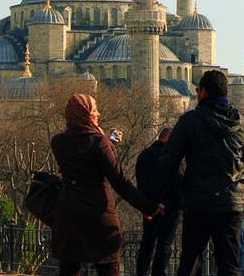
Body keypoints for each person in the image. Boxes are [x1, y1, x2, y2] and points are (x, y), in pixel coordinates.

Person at [155, 70, 244, 276]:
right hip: (231, 204)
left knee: (191, 263)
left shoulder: (190, 121)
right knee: (230, 265)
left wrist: (162, 195)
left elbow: (168, 161)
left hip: (198, 202)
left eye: (197, 90)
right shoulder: (243, 125)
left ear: (203, 92)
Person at [51, 94, 162, 276]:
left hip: (68, 213)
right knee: (107, 266)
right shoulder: (99, 142)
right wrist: (147, 207)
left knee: (69, 268)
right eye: (94, 110)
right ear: (85, 113)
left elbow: (82, 156)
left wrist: (105, 143)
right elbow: (119, 181)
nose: (98, 114)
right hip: (98, 214)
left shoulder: (58, 142)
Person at [135, 127, 182, 276]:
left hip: (149, 207)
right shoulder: (171, 155)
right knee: (165, 245)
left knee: (147, 242)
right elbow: (178, 181)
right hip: (169, 208)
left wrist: (147, 204)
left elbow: (141, 183)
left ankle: (141, 272)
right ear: (169, 138)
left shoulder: (143, 155)